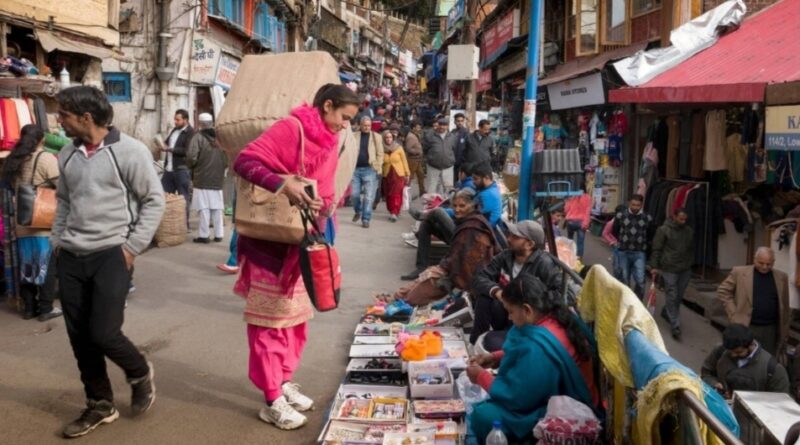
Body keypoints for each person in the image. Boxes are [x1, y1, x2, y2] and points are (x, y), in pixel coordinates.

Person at [232, 84, 359, 430]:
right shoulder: (292, 129)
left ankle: (283, 380)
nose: (345, 125)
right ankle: (271, 398)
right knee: (269, 324)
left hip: (303, 242)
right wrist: (282, 184)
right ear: (327, 106)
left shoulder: (332, 140)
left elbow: (327, 185)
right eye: (343, 118)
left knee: (296, 321)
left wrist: (324, 208)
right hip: (269, 246)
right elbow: (244, 161)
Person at [52, 86, 164, 437]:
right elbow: (64, 202)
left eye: (64, 114)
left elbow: (153, 201)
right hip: (71, 256)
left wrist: (131, 248)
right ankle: (100, 404)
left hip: (111, 255)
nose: (59, 119)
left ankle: (139, 371)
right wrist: (57, 241)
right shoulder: (67, 155)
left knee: (103, 332)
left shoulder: (130, 152)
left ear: (86, 117)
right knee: (79, 338)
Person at [467, 273, 600, 443]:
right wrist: (494, 357)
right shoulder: (550, 315)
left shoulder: (537, 347)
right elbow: (519, 349)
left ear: (527, 310)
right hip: (549, 395)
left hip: (568, 411)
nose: (508, 317)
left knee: (485, 416)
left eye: (510, 311)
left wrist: (481, 376)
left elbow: (519, 398)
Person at [388, 190, 499, 305]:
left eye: (462, 206)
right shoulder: (468, 222)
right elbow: (456, 254)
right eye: (455, 206)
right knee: (426, 275)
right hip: (454, 268)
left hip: (468, 276)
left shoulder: (472, 228)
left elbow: (468, 263)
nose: (457, 209)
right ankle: (398, 296)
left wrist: (444, 268)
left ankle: (402, 300)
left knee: (423, 286)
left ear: (472, 206)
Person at [1, 124, 62, 321]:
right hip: (42, 221)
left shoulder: (13, 159)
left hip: (21, 221)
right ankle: (45, 309)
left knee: (27, 265)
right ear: (42, 139)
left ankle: (29, 308)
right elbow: (61, 187)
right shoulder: (45, 158)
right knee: (47, 265)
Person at [402, 162, 502, 280]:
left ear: (486, 178)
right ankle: (421, 266)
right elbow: (464, 212)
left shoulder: (488, 195)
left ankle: (422, 215)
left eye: (476, 179)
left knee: (438, 212)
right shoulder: (484, 191)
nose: (473, 182)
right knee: (427, 224)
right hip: (467, 230)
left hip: (472, 238)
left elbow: (465, 214)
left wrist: (442, 212)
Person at [470, 220, 564, 346]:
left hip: (525, 318)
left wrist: (530, 300)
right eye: (510, 235)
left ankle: (504, 340)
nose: (508, 238)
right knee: (484, 298)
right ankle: (475, 342)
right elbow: (479, 277)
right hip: (507, 312)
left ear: (529, 244)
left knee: (492, 342)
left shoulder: (544, 264)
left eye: (515, 237)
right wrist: (497, 292)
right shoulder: (506, 256)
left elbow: (565, 293)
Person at [717, 247, 790, 357]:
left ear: (773, 262)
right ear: (754, 259)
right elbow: (723, 291)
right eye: (761, 263)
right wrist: (734, 313)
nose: (765, 267)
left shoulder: (781, 277)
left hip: (770, 328)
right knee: (744, 356)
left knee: (767, 358)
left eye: (769, 264)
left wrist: (784, 328)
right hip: (747, 325)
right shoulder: (739, 272)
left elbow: (785, 303)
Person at [701, 324, 790, 398]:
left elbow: (780, 400)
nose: (733, 355)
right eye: (730, 351)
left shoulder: (773, 369)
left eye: (738, 352)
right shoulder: (720, 351)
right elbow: (706, 373)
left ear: (751, 346)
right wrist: (714, 384)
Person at [649, 208, 694, 340]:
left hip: (685, 268)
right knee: (672, 294)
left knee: (678, 296)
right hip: (669, 268)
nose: (683, 221)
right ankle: (675, 325)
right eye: (681, 219)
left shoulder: (688, 231)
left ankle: (666, 312)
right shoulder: (663, 230)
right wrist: (654, 266)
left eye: (685, 219)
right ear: (674, 216)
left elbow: (690, 249)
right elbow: (656, 249)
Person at [187, 112, 227, 243]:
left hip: (202, 178)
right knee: (217, 207)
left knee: (203, 208)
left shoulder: (197, 137)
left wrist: (191, 167)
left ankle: (204, 235)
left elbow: (192, 157)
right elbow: (227, 158)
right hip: (218, 178)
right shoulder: (221, 137)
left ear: (199, 123)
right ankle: (219, 234)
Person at [612, 194, 653, 299]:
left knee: (640, 280)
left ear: (641, 205)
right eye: (633, 205)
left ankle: (637, 302)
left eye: (638, 205)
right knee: (624, 279)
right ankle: (626, 301)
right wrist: (623, 241)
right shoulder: (620, 215)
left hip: (639, 253)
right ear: (629, 203)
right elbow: (615, 231)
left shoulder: (647, 218)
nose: (635, 207)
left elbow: (650, 234)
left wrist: (643, 244)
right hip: (623, 251)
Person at [161, 109, 194, 228]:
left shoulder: (191, 133)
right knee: (163, 196)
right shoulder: (175, 130)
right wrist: (161, 145)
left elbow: (187, 151)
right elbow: (166, 143)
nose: (175, 122)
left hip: (181, 169)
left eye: (178, 120)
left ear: (185, 120)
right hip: (169, 169)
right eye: (175, 119)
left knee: (183, 198)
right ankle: (166, 224)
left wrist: (170, 149)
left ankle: (184, 225)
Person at [351, 116, 383, 228]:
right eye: (364, 125)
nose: (366, 127)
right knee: (354, 195)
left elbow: (380, 153)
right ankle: (358, 211)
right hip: (355, 170)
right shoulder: (354, 136)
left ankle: (366, 219)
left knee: (368, 196)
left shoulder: (376, 137)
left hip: (370, 169)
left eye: (369, 125)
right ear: (360, 125)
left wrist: (378, 167)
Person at [422, 117, 456, 195]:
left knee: (448, 190)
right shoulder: (430, 136)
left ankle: (447, 206)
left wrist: (450, 159)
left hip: (448, 167)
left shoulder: (452, 137)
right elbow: (425, 148)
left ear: (447, 126)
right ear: (437, 125)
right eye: (440, 125)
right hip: (433, 167)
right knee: (431, 189)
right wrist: (431, 158)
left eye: (444, 125)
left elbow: (454, 149)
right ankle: (431, 206)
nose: (442, 127)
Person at [381, 130, 410, 222]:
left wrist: (407, 173)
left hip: (398, 174)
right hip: (387, 175)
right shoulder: (381, 149)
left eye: (390, 137)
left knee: (396, 194)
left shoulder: (398, 148)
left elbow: (404, 161)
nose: (389, 139)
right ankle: (391, 210)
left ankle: (395, 211)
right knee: (388, 194)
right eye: (386, 137)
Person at [564, 193, 592, 258]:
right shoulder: (587, 197)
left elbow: (566, 210)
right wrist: (586, 223)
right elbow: (587, 212)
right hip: (581, 222)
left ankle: (569, 256)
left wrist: (567, 201)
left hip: (570, 221)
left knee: (570, 239)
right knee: (580, 242)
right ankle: (579, 258)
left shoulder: (572, 196)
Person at [404, 122, 425, 196]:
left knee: (421, 175)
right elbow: (408, 148)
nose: (419, 129)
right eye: (418, 127)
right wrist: (417, 152)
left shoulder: (416, 135)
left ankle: (422, 191)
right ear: (413, 128)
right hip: (412, 159)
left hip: (417, 159)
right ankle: (405, 191)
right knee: (410, 177)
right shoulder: (411, 136)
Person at [452, 113, 469, 182]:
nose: (460, 123)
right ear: (455, 122)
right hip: (453, 161)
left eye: (461, 121)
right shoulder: (452, 132)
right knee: (453, 181)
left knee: (463, 181)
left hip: (463, 162)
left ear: (464, 121)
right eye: (458, 121)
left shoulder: (467, 133)